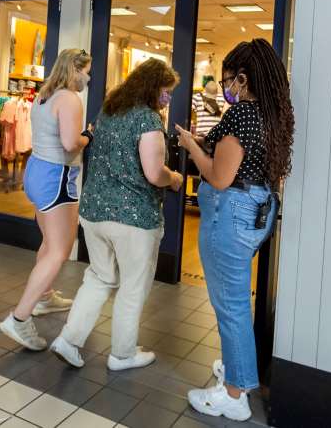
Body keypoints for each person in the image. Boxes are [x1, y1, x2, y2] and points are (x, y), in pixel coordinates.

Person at [176, 39, 294, 422]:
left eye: (229, 79)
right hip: (255, 211)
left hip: (231, 213)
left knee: (231, 305)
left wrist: (191, 146)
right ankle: (236, 368)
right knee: (236, 301)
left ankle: (234, 394)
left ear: (243, 79)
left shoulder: (241, 113)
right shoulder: (270, 115)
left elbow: (219, 176)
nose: (226, 86)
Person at [49, 58, 184, 371]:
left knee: (99, 277)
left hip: (94, 212)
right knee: (133, 286)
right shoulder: (148, 119)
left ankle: (69, 340)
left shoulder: (109, 111)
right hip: (133, 218)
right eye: (166, 91)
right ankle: (122, 354)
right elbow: (154, 173)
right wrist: (175, 178)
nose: (168, 98)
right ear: (153, 87)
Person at [0, 48, 93, 351]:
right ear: (75, 70)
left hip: (37, 171)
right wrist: (89, 136)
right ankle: (19, 318)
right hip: (56, 178)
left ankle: (43, 297)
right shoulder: (69, 99)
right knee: (59, 250)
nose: (88, 78)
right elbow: (70, 143)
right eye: (86, 72)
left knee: (49, 243)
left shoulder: (44, 95)